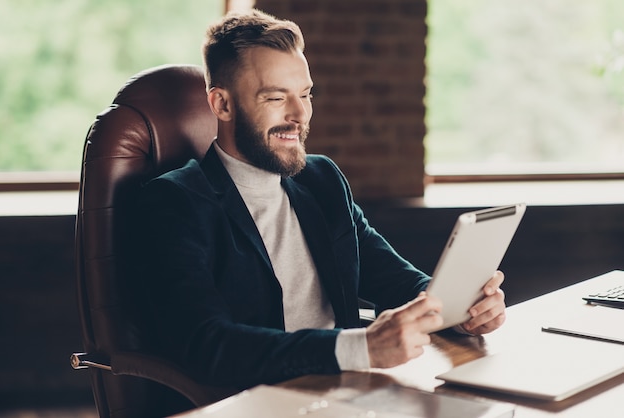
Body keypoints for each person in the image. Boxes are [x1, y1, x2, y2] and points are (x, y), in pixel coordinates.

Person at [138, 9, 506, 392]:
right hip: (257, 402)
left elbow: (392, 276)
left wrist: (457, 309)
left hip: (349, 392)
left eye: (305, 94)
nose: (299, 114)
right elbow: (208, 346)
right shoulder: (174, 203)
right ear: (222, 105)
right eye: (276, 97)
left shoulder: (322, 180)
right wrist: (360, 348)